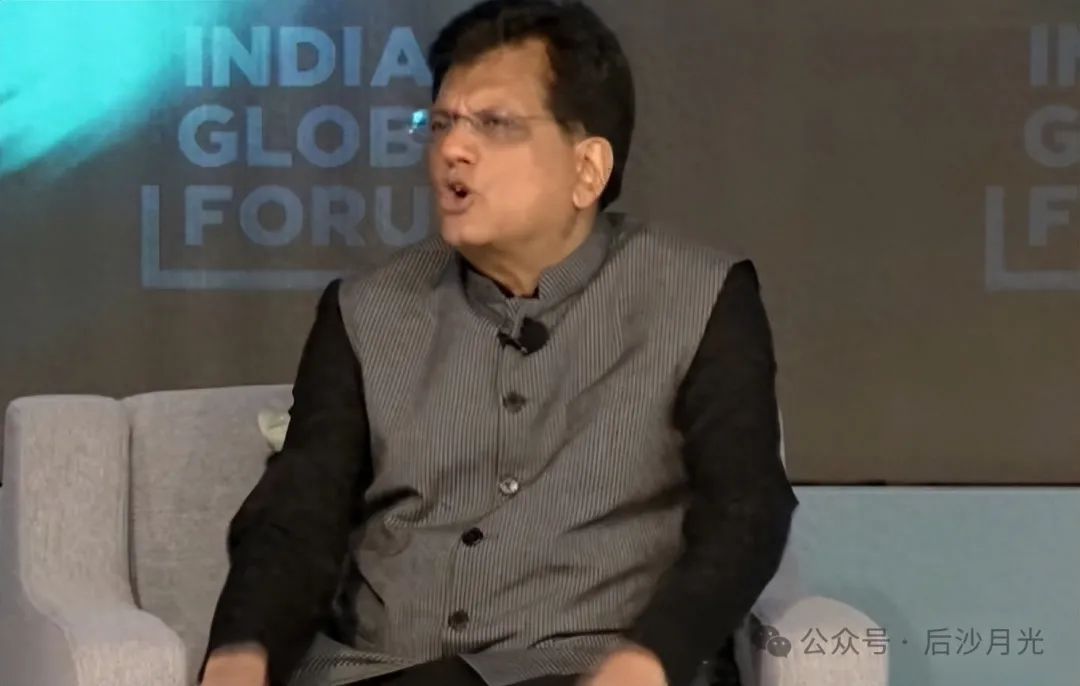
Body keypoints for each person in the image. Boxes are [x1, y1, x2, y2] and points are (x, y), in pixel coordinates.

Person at [198, 1, 798, 685]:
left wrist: (654, 655)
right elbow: (298, 516)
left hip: (588, 670)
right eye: (442, 123)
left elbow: (745, 510)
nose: (453, 149)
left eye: (495, 124)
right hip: (388, 671)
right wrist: (241, 651)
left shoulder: (701, 296)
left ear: (587, 170)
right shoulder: (365, 311)